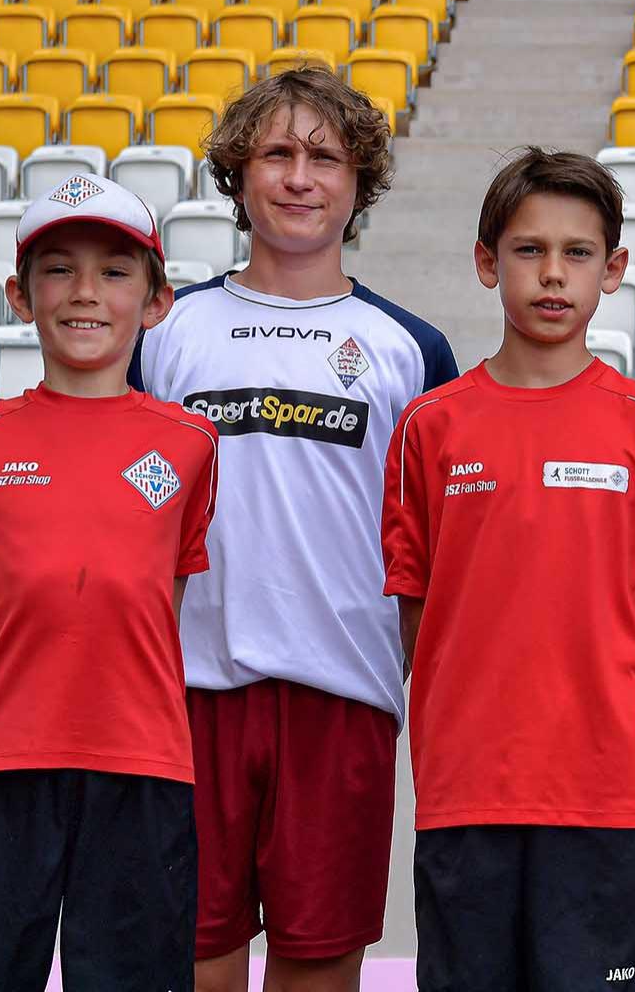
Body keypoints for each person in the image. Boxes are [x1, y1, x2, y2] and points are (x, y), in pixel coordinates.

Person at [130, 68, 458, 992]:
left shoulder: (410, 348)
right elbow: (133, 497)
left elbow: (429, 541)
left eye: (326, 156)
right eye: (276, 153)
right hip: (188, 693)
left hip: (343, 694)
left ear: (360, 183)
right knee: (191, 958)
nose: (300, 177)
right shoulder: (169, 330)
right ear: (238, 175)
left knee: (320, 961)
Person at [384, 147, 635, 991]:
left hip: (605, 798)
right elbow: (417, 611)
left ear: (614, 268)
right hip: (467, 794)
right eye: (529, 250)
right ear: (488, 262)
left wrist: (630, 737)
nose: (552, 274)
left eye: (577, 253)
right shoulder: (430, 425)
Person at [0, 176, 218, 990]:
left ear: (155, 300)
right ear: (21, 294)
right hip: (3, 759)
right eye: (59, 269)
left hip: (144, 763)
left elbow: (161, 605)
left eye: (116, 272)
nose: (85, 293)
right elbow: (3, 609)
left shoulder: (191, 442)